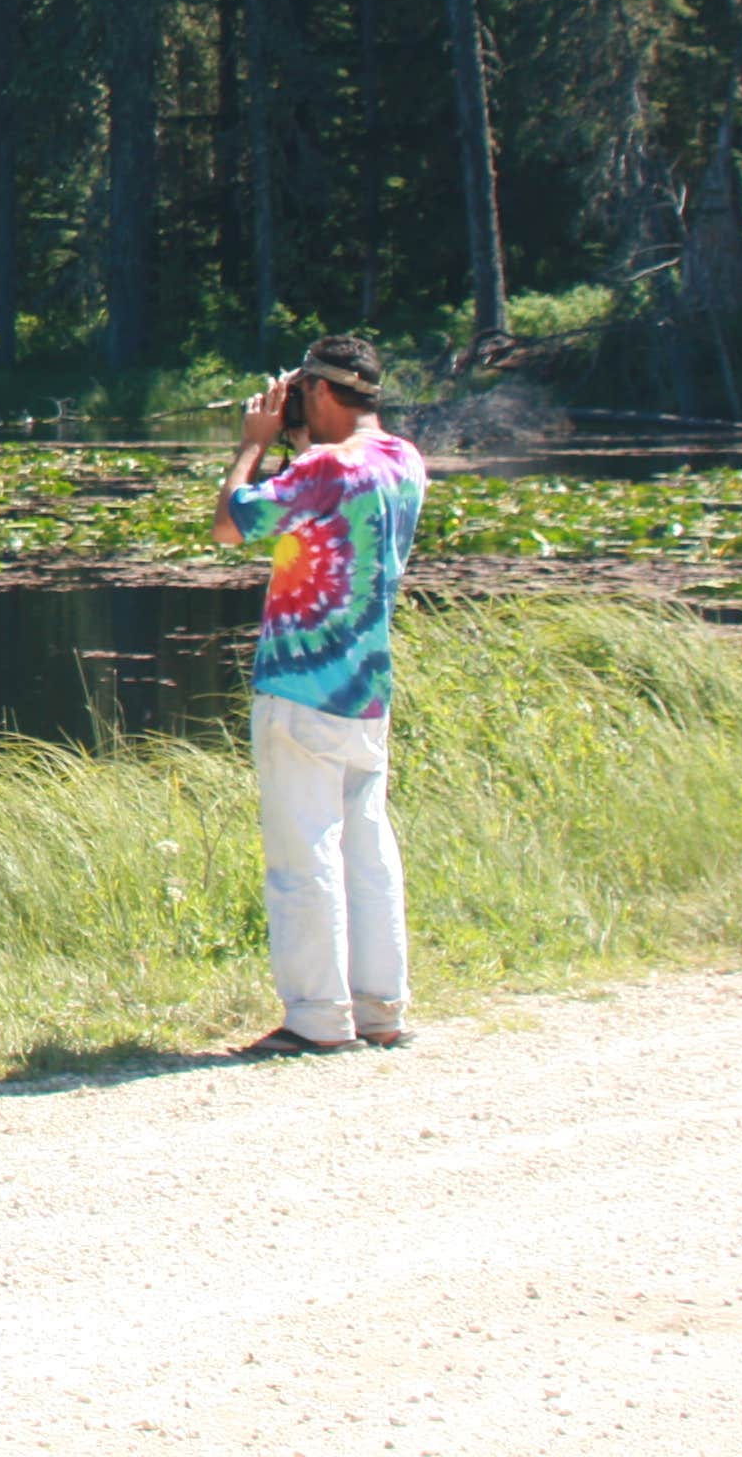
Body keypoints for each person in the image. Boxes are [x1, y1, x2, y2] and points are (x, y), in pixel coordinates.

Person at [210, 334, 423, 1056]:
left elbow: (230, 522)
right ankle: (380, 1008)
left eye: (304, 393)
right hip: (367, 685)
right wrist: (295, 443)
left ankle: (316, 1019)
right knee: (367, 850)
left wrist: (253, 443)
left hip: (302, 685)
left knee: (303, 855)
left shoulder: (328, 468)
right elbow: (322, 512)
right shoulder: (403, 461)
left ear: (324, 393)